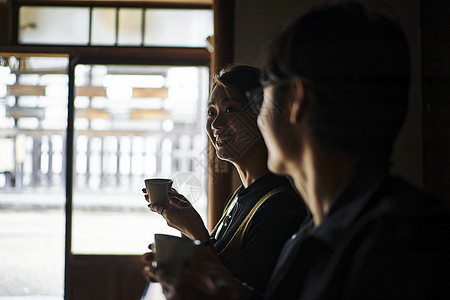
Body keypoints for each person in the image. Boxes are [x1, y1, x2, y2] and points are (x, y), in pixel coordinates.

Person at [143, 2, 450, 299]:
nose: (261, 116)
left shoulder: (398, 246)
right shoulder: (321, 231)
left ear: (296, 102)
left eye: (262, 99)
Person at [143, 65, 307, 293]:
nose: (216, 124)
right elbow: (220, 265)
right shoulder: (239, 197)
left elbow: (237, 293)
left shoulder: (278, 207)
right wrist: (186, 227)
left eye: (230, 110)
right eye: (211, 112)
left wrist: (198, 232)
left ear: (262, 117)